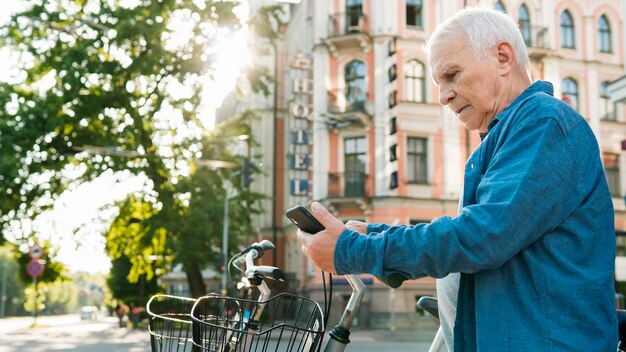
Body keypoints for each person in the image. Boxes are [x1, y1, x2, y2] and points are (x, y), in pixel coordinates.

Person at [297, 7, 617, 351]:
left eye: (452, 74)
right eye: (438, 83)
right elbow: (479, 230)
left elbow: (483, 236)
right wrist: (375, 233)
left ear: (503, 58)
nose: (442, 96)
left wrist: (354, 249)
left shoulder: (544, 124)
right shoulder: (510, 132)